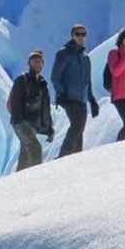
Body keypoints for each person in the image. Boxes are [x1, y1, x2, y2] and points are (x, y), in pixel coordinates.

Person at [51, 24, 99, 156]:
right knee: (77, 126)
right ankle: (63, 157)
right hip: (69, 98)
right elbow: (56, 76)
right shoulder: (64, 53)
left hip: (81, 99)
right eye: (78, 34)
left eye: (84, 34)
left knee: (80, 129)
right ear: (72, 36)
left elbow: (87, 81)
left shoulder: (85, 57)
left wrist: (92, 100)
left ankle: (76, 159)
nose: (81, 37)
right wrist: (61, 94)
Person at [9, 50, 55, 170]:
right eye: (35, 62)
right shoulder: (21, 81)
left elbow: (45, 108)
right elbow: (15, 102)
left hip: (32, 125)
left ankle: (17, 180)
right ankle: (34, 179)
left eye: (40, 62)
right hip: (21, 123)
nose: (38, 64)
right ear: (29, 63)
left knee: (25, 152)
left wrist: (49, 129)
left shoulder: (42, 84)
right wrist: (19, 122)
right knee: (35, 149)